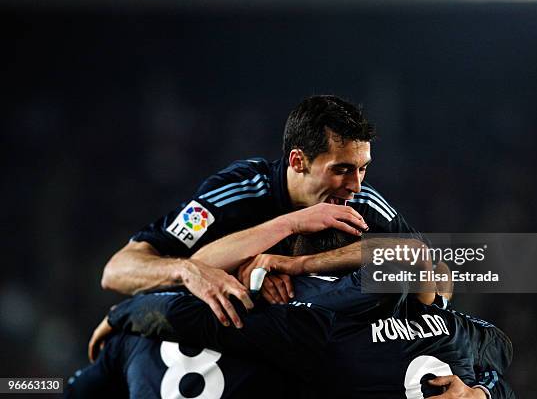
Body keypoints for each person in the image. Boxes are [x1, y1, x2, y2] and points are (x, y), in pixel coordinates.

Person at [101, 95, 424, 327]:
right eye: (341, 169)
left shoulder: (364, 203)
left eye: (363, 169)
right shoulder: (238, 192)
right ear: (298, 161)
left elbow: (436, 269)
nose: (355, 185)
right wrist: (192, 271)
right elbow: (118, 271)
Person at [72, 231, 513, 399]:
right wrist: (484, 395)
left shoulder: (311, 331)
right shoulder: (455, 329)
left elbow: (206, 319)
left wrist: (125, 312)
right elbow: (503, 354)